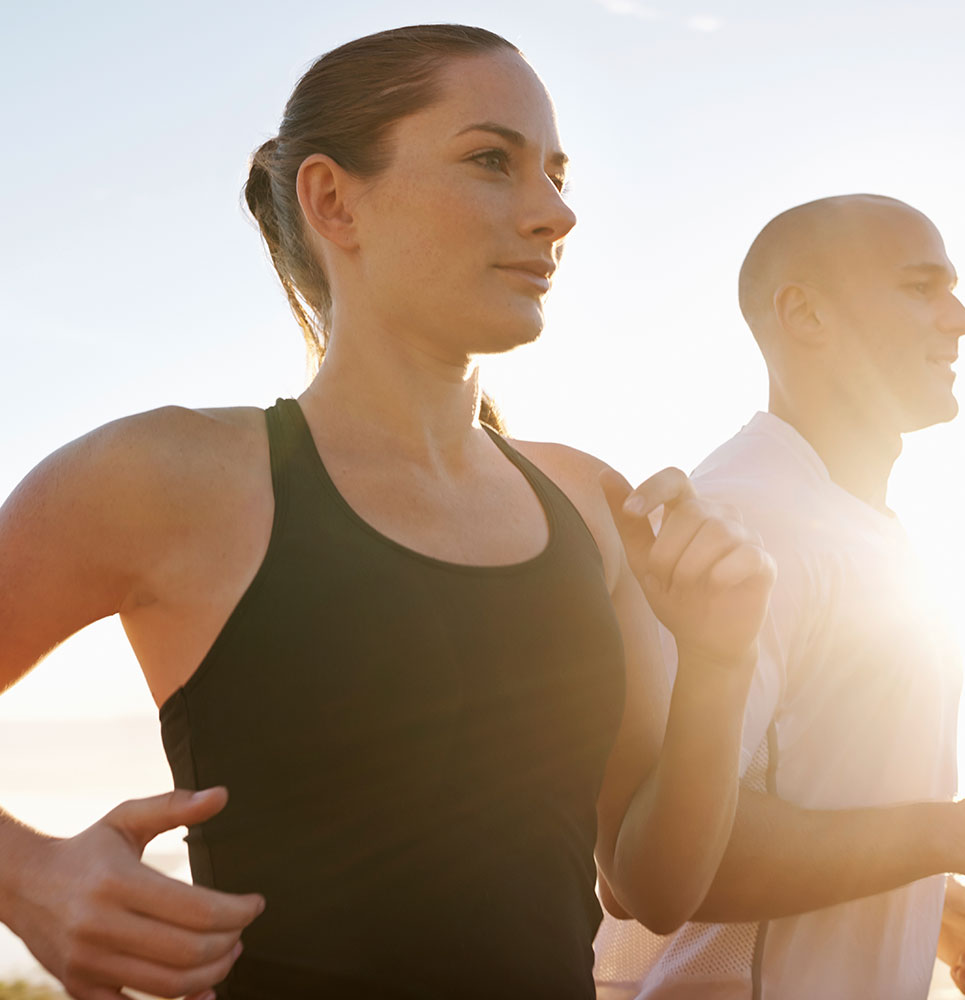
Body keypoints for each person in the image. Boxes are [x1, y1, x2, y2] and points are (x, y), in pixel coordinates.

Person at [0, 24, 775, 1000]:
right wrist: (27, 875)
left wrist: (718, 662)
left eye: (556, 172)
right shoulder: (168, 476)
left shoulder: (589, 500)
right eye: (492, 160)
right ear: (332, 199)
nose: (554, 214)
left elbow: (653, 886)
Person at [594, 193, 965, 1000]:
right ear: (805, 316)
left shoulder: (857, 525)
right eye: (922, 287)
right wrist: (952, 834)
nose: (962, 320)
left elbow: (816, 793)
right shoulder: (749, 522)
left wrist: (937, 909)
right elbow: (651, 873)